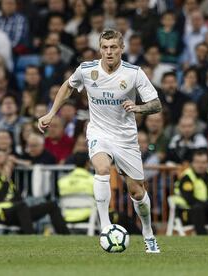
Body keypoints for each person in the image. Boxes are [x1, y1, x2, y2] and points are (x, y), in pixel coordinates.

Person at [38, 29, 161, 253]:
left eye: (113, 47)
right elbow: (67, 86)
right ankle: (105, 227)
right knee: (102, 168)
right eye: (105, 47)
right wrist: (51, 113)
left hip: (126, 138)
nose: (109, 51)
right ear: (100, 49)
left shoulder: (134, 73)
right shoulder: (87, 70)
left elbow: (156, 103)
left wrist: (138, 107)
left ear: (121, 49)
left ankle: (148, 233)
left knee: (137, 192)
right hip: (99, 132)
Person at [0, 150, 69, 234]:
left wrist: (6, 179)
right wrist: (6, 180)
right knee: (21, 206)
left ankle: (66, 236)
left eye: (2, 164)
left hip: (14, 212)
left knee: (51, 205)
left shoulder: (4, 178)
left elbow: (17, 198)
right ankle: (31, 237)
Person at [174, 149, 208, 235]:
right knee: (197, 208)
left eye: (204, 162)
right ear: (192, 163)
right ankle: (203, 237)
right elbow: (190, 200)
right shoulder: (187, 177)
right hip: (188, 214)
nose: (201, 165)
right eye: (197, 162)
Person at [57, 152, 94, 223]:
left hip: (66, 215)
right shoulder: (93, 180)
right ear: (87, 163)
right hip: (88, 215)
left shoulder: (62, 181)